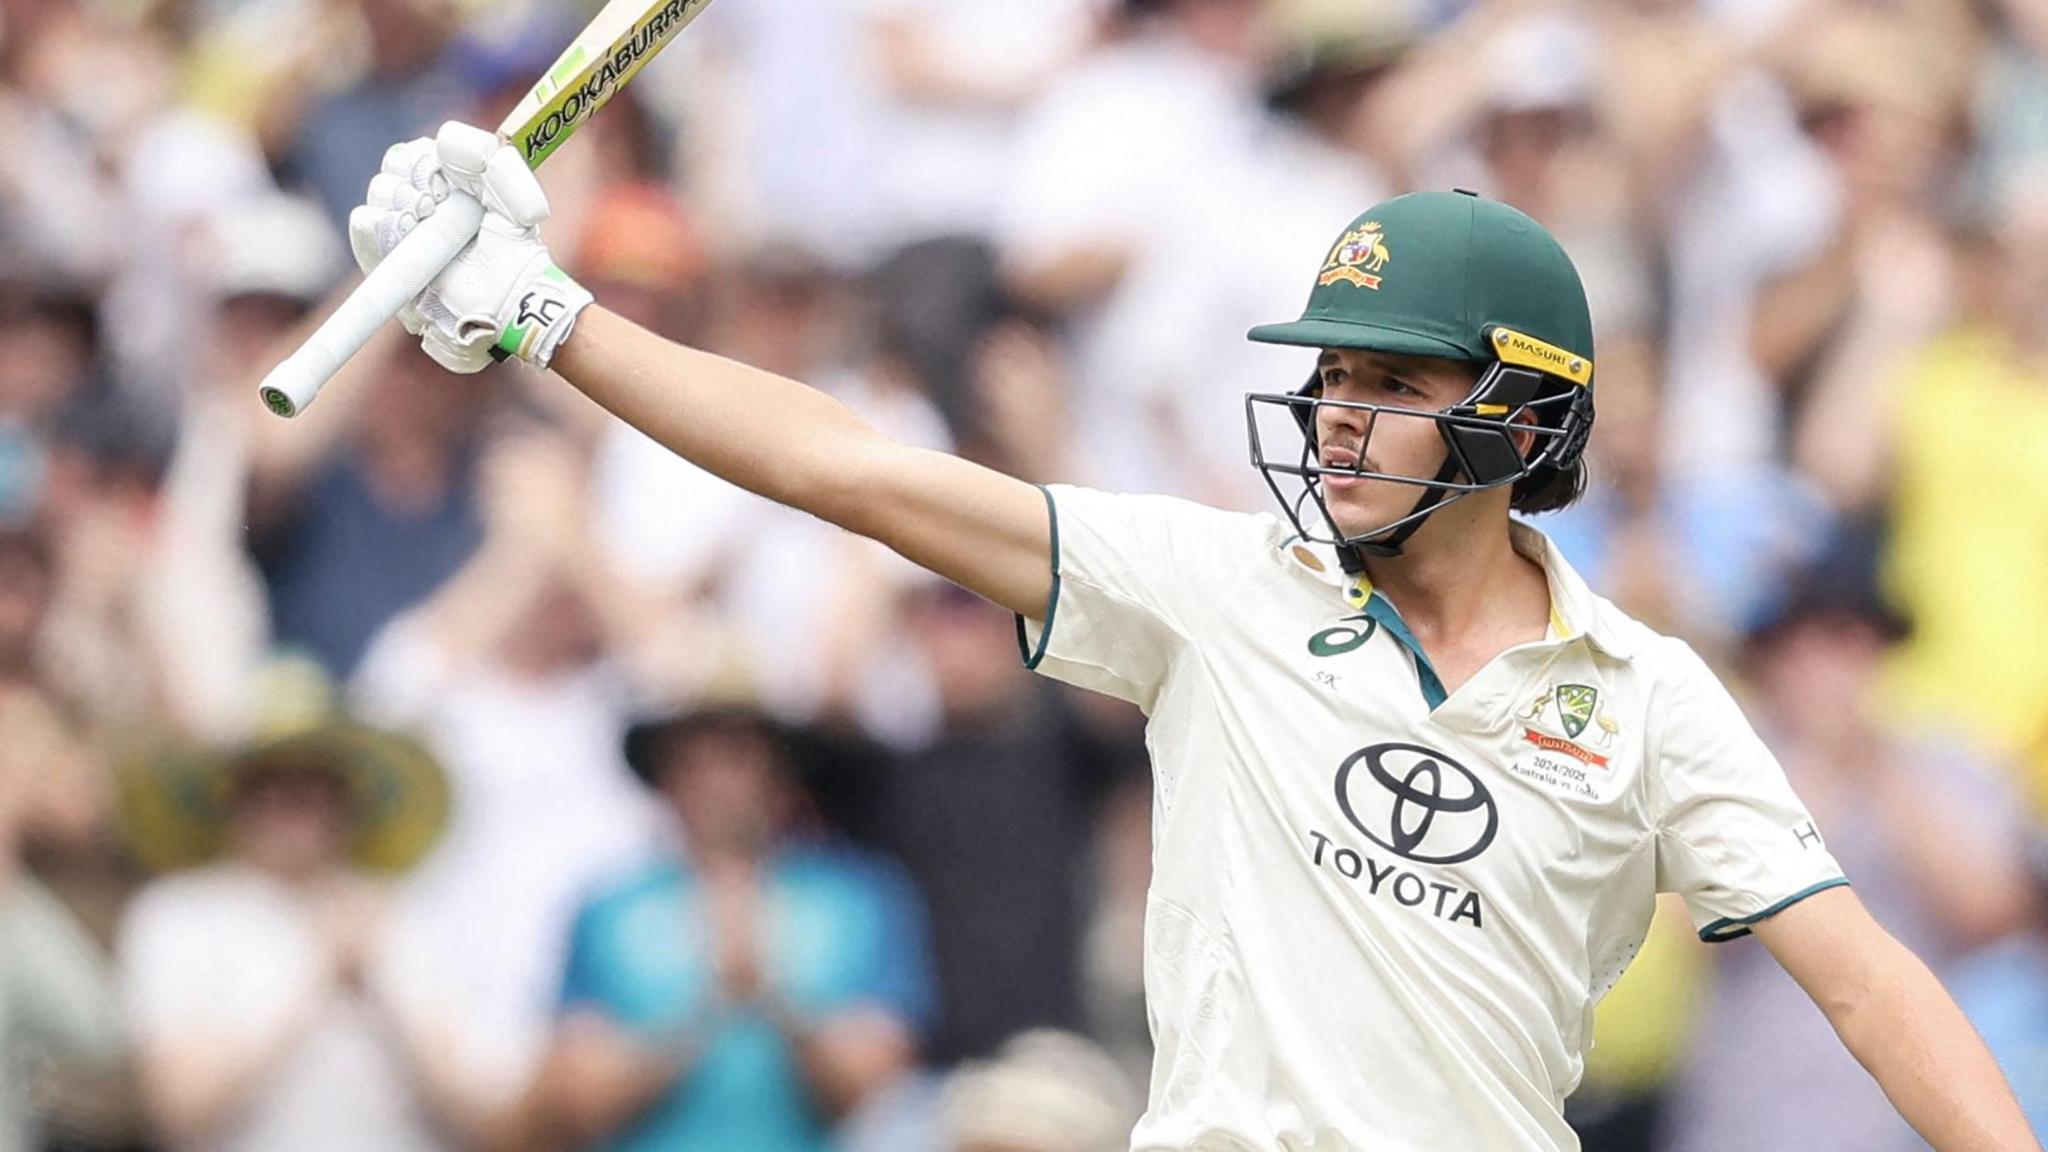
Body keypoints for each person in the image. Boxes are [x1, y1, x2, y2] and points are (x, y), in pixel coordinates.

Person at [341, 124, 2041, 1151]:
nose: (1333, 417)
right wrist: (545, 316)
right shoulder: (1212, 587)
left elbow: (1869, 975)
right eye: (1330, 378)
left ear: (1524, 413)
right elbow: (845, 470)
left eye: (1391, 380)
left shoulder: (1650, 693)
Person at [512, 702, 933, 1152]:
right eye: (692, 756)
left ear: (783, 772)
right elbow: (579, 1098)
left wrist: (772, 996)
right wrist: (705, 1010)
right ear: (665, 776)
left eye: (737, 754)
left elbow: (871, 1090)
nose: (716, 778)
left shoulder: (860, 898)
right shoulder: (609, 907)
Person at [116, 658, 491, 1152]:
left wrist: (379, 987)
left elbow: (480, 1118)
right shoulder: (177, 915)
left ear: (347, 803)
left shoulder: (405, 914)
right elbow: (181, 1109)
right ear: (229, 800)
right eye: (265, 786)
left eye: (310, 789)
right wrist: (317, 977)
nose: (289, 808)